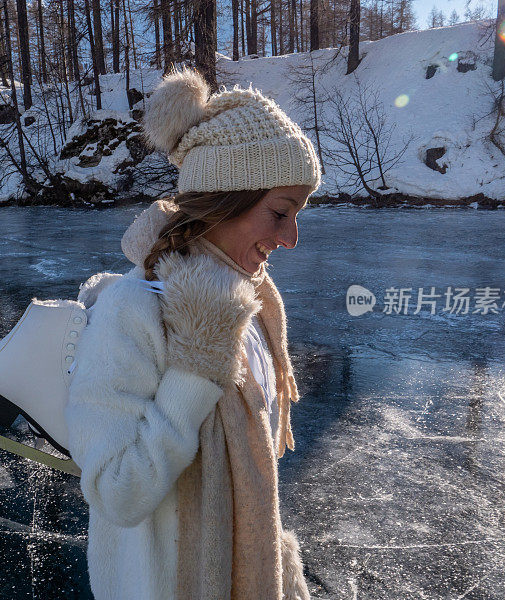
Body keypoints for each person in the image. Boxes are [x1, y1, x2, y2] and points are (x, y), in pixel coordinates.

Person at [64, 65, 322, 600]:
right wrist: (196, 368)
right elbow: (117, 494)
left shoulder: (248, 306)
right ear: (225, 199)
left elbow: (247, 477)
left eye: (298, 215)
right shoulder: (132, 311)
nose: (292, 238)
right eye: (280, 212)